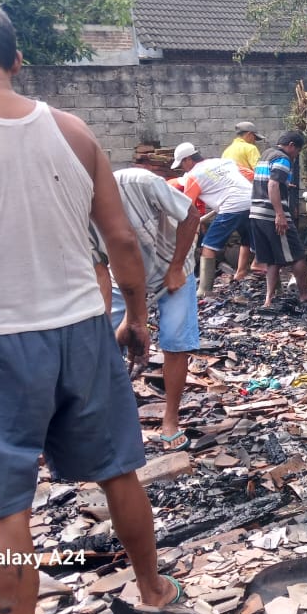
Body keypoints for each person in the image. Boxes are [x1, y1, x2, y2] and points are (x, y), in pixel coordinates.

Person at [0, 0, 182, 614]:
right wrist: (135, 318)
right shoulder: (73, 131)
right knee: (118, 471)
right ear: (17, 60)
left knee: (6, 509)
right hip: (81, 328)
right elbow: (121, 239)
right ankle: (154, 589)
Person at [99, 168, 201, 451]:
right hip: (123, 279)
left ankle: (171, 420)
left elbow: (190, 215)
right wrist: (108, 320)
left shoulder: (141, 183)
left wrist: (177, 267)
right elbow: (98, 266)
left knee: (175, 341)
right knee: (101, 341)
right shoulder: (79, 204)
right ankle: (112, 419)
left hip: (172, 268)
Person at [171, 142, 255, 293]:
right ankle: (241, 272)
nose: (182, 168)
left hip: (231, 206)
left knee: (209, 246)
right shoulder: (224, 162)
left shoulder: (193, 175)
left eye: (181, 165)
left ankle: (204, 290)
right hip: (251, 200)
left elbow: (187, 204)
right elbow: (251, 175)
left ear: (188, 160)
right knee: (246, 238)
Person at [249, 131, 307, 310]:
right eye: (297, 151)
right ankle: (305, 296)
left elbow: (266, 182)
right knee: (298, 254)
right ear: (292, 146)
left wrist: (285, 186)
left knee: (272, 259)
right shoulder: (283, 159)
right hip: (272, 214)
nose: (296, 156)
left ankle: (268, 300)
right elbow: (272, 184)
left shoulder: (266, 155)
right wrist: (279, 214)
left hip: (256, 213)